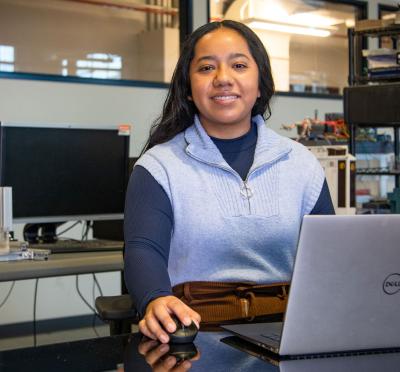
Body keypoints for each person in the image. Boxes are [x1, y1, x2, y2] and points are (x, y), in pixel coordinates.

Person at [124, 20, 334, 344]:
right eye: (206, 67)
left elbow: (329, 258)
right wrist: (154, 298)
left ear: (261, 83)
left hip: (290, 336)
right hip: (192, 338)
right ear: (189, 88)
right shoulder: (159, 166)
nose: (223, 79)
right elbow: (143, 248)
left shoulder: (301, 163)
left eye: (238, 65)